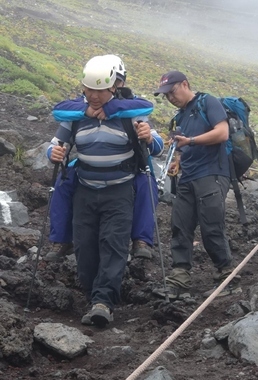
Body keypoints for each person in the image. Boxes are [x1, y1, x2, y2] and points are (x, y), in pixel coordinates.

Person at [48, 55, 162, 327]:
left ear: (113, 88)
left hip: (119, 192)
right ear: (83, 88)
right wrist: (52, 152)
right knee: (85, 249)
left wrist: (148, 137)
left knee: (113, 246)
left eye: (100, 90)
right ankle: (93, 294)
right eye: (89, 89)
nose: (94, 95)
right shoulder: (76, 117)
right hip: (85, 191)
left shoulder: (130, 116)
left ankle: (103, 302)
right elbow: (54, 145)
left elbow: (156, 147)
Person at [152, 70, 242, 300]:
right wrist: (177, 161)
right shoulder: (180, 116)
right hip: (188, 177)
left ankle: (228, 277)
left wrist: (190, 141)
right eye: (166, 95)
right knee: (180, 225)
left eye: (172, 92)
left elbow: (221, 133)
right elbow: (185, 148)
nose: (170, 98)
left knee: (211, 225)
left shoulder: (207, 102)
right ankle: (179, 277)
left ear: (185, 84)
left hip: (212, 173)